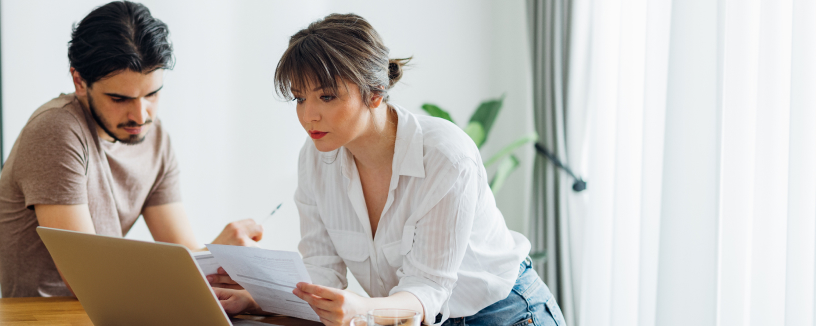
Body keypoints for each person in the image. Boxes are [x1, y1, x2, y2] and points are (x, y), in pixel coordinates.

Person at [210, 14, 566, 326]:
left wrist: (362, 309)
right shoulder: (316, 156)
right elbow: (322, 270)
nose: (308, 115)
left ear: (376, 91)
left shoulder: (445, 155)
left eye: (327, 96)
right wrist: (257, 298)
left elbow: (427, 290)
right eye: (300, 98)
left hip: (506, 315)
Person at [0, 1, 263, 298]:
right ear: (79, 81)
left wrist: (223, 257)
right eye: (119, 99)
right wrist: (209, 259)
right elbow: (87, 278)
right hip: (53, 316)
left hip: (121, 307)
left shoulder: (155, 136)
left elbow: (184, 253)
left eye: (152, 94)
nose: (140, 115)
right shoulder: (56, 131)